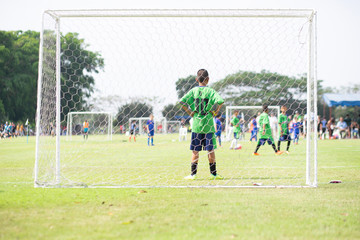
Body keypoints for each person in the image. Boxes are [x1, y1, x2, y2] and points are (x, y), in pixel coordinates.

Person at [179, 69, 224, 180]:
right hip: (208, 124)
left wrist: (190, 112)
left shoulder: (193, 91)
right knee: (211, 150)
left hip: (197, 125)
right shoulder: (210, 91)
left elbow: (182, 101)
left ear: (196, 79)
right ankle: (213, 174)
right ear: (208, 79)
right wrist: (216, 111)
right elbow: (221, 101)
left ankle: (193, 175)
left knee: (195, 150)